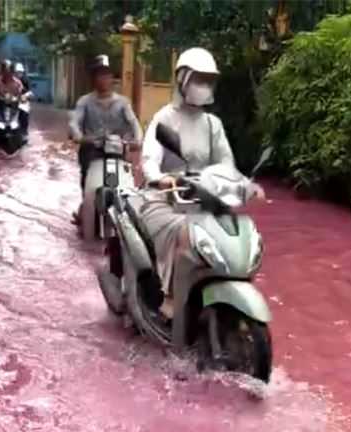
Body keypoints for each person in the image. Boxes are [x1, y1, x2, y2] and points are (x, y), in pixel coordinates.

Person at [139, 47, 264, 318]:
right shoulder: (165, 118)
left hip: (205, 200)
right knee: (185, 232)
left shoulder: (212, 124)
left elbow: (225, 163)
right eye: (199, 79)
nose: (203, 86)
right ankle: (171, 296)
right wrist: (162, 179)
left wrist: (245, 184)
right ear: (182, 79)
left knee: (236, 230)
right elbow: (149, 159)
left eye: (208, 80)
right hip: (167, 199)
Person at [68, 54, 142, 225]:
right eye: (99, 74)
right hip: (91, 150)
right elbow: (74, 122)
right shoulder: (84, 102)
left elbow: (134, 123)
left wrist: (138, 140)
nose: (103, 78)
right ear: (93, 78)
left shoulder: (123, 103)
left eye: (107, 74)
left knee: (125, 183)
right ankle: (86, 206)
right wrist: (78, 135)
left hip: (117, 150)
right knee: (86, 179)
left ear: (112, 78)